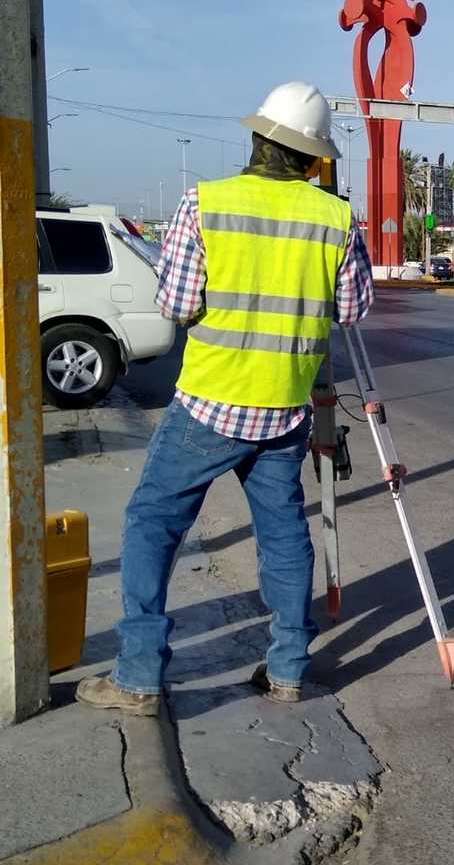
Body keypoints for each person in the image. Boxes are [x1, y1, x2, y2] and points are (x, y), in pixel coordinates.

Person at [76, 82, 374, 715]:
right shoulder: (336, 216)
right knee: (285, 535)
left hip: (210, 403)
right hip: (285, 406)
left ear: (258, 137)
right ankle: (289, 668)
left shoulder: (205, 203)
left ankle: (137, 677)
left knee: (152, 524)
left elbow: (178, 305)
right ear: (314, 156)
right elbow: (352, 310)